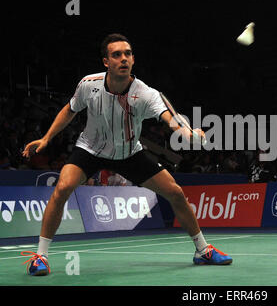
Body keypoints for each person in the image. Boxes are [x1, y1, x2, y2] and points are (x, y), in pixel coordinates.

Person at [21, 34, 232, 276]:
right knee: (62, 188)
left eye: (128, 54)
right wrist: (47, 138)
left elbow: (171, 118)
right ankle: (41, 256)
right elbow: (70, 110)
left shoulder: (146, 94)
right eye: (117, 55)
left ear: (133, 59)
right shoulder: (88, 85)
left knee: (175, 192)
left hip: (129, 153)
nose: (124, 59)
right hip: (90, 150)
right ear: (105, 62)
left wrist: (189, 132)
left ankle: (202, 250)